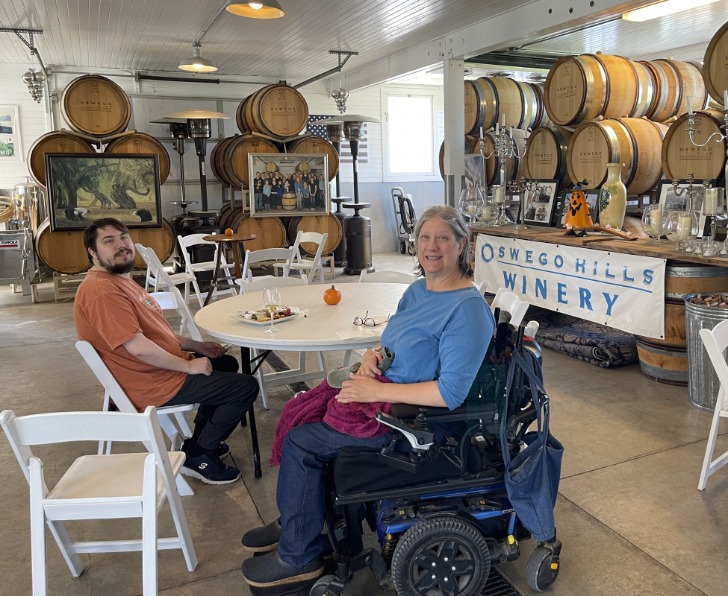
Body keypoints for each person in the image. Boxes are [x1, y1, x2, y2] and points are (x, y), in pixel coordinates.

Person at [240, 205, 495, 591]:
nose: (432, 246)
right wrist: (374, 354)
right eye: (425, 237)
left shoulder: (467, 310)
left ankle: (298, 556)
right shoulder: (418, 290)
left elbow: (451, 393)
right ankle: (299, 520)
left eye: (443, 238)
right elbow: (395, 340)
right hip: (386, 393)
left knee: (301, 442)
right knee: (301, 410)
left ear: (461, 245)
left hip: (410, 421)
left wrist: (375, 390)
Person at [73, 218, 258, 485]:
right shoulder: (102, 292)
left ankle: (200, 440)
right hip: (148, 382)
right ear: (92, 252)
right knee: (245, 387)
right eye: (109, 241)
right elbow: (138, 348)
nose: (121, 245)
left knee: (225, 363)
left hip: (154, 371)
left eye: (123, 237)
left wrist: (196, 347)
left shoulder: (119, 281)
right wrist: (189, 365)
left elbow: (154, 336)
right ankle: (200, 455)